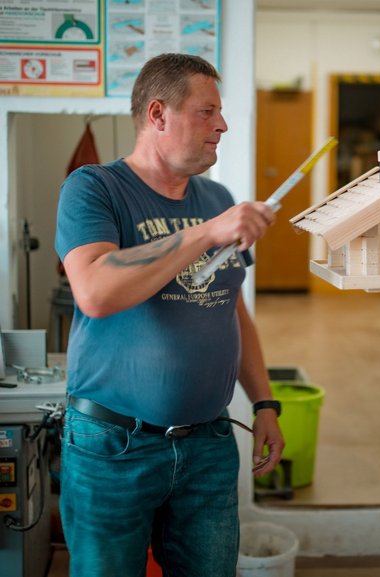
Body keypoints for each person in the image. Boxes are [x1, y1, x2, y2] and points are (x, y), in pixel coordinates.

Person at [55, 53, 284, 577]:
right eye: (207, 111)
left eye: (220, 113)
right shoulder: (94, 188)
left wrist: (264, 402)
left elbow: (233, 310)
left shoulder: (216, 198)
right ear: (158, 114)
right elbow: (94, 290)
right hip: (113, 446)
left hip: (208, 443)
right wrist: (205, 232)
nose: (222, 124)